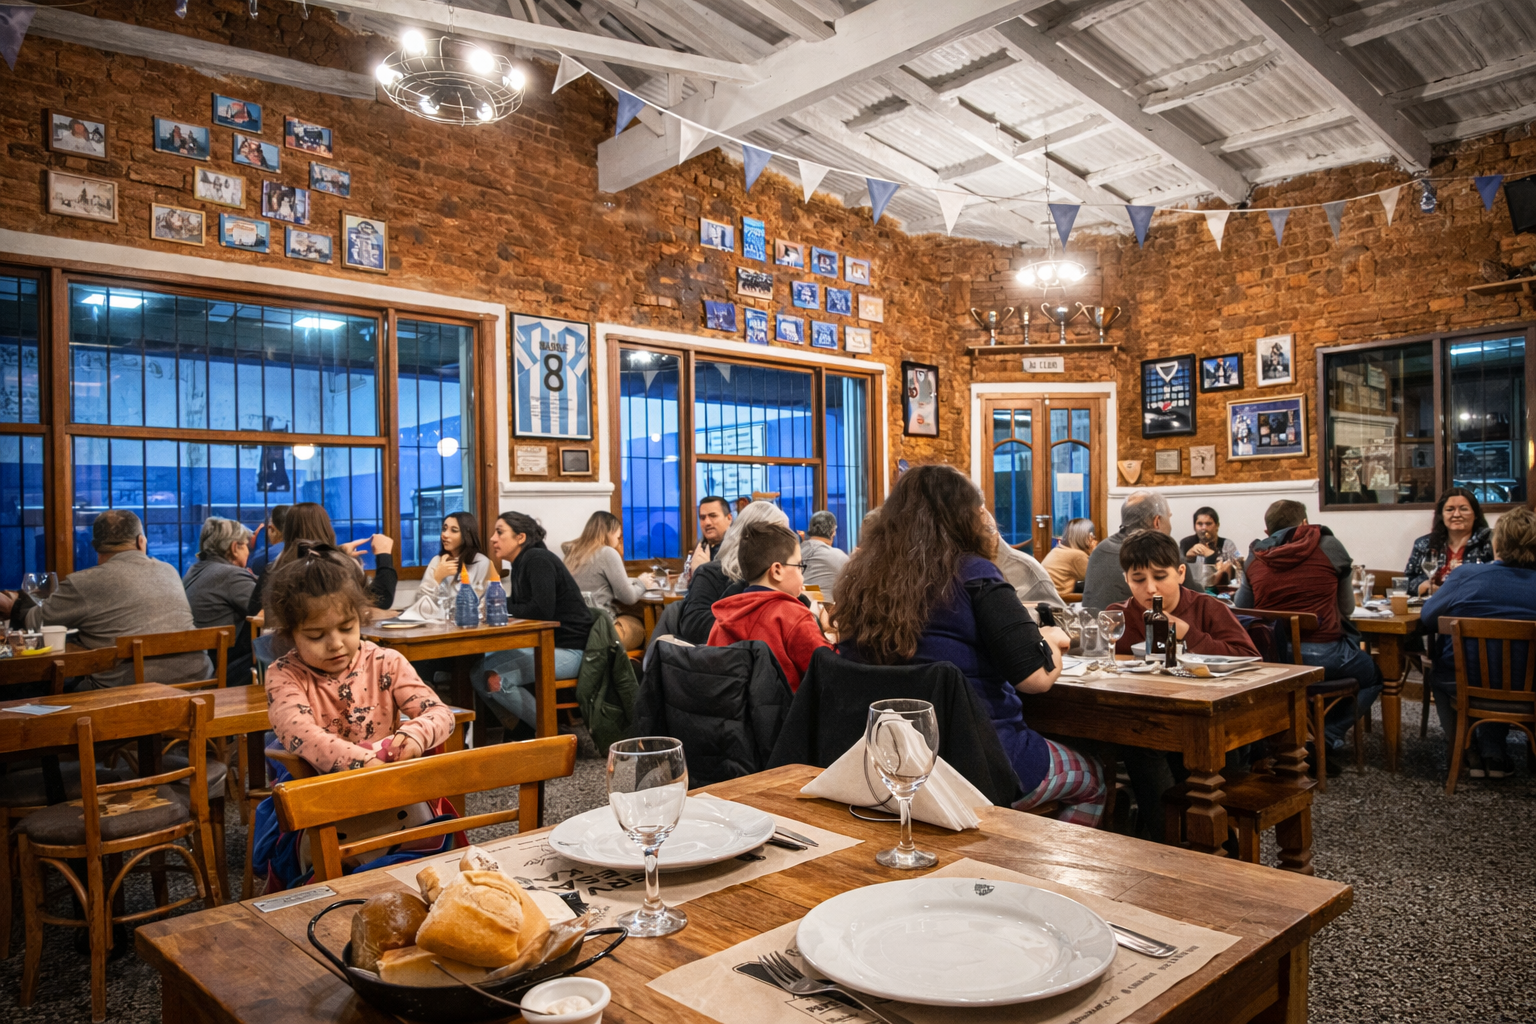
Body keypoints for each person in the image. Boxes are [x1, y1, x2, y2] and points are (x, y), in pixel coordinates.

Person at [834, 464, 1105, 827]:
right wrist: (1052, 641)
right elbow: (1036, 679)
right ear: (966, 516)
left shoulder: (861, 580)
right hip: (980, 764)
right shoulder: (975, 573)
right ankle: (1023, 858)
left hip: (881, 766)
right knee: (1093, 777)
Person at [263, 545, 455, 774]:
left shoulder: (386, 662)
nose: (335, 644)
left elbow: (440, 713)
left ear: (360, 618)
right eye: (316, 635)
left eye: (346, 628)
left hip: (385, 778)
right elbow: (302, 734)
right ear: (290, 634)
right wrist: (364, 761)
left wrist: (415, 735)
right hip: (318, 786)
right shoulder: (284, 675)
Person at [1236, 500, 1382, 765]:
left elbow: (1243, 607)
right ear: (1305, 523)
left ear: (1267, 532)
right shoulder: (1329, 546)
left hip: (1273, 659)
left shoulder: (1255, 555)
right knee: (1374, 677)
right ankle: (1327, 735)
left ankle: (1296, 735)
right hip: (1324, 653)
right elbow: (1347, 608)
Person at [1, 510, 210, 689]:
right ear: (141, 541)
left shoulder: (84, 582)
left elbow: (36, 623)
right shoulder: (169, 570)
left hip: (129, 692)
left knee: (45, 690)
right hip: (197, 682)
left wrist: (14, 605)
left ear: (94, 546)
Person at [1420, 507, 1536, 779]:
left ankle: (1465, 747)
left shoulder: (1466, 575)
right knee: (1505, 669)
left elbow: (1428, 617)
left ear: (1497, 544)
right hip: (1529, 686)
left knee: (1440, 674)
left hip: (1464, 682)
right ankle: (1494, 751)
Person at [472, 512, 593, 735]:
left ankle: (554, 734)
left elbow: (540, 611)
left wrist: (496, 605)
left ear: (520, 537)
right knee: (478, 670)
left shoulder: (537, 559)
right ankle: (522, 731)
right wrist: (493, 604)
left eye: (500, 532)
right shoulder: (521, 563)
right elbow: (522, 606)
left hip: (571, 650)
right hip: (548, 646)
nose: (492, 539)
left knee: (496, 678)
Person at [707, 521, 835, 691]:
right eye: (799, 566)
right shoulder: (793, 616)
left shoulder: (722, 619)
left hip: (731, 707)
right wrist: (828, 627)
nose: (802, 576)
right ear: (777, 571)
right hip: (786, 707)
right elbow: (829, 671)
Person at [1109, 531, 1259, 657]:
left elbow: (1251, 657)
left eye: (1160, 577)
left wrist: (1187, 633)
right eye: (1138, 579)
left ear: (1181, 573)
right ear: (1126, 579)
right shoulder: (1118, 617)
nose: (1150, 588)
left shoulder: (1208, 608)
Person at [247, 502, 396, 619]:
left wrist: (339, 553)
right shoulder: (331, 568)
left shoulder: (275, 567)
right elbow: (380, 600)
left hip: (277, 644)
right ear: (326, 527)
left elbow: (253, 611)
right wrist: (384, 554)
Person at [676, 501, 790, 645]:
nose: (787, 545)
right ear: (751, 538)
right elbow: (694, 626)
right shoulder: (711, 573)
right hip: (725, 655)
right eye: (779, 537)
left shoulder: (780, 574)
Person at [1083, 490, 1191, 611]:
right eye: (1169, 518)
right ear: (1157, 521)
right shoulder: (1164, 551)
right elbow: (1195, 600)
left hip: (1094, 622)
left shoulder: (1100, 549)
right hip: (1137, 622)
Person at [182, 517, 259, 686]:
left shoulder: (194, 570)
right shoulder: (231, 575)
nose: (248, 551)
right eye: (246, 545)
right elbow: (268, 609)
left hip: (198, 659)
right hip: (219, 669)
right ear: (234, 548)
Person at [562, 511, 646, 649]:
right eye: (618, 536)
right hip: (599, 626)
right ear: (610, 531)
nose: (619, 539)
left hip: (575, 626)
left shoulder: (573, 552)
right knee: (642, 627)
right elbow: (629, 597)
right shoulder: (607, 552)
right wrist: (643, 583)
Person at [1405, 488, 1494, 596]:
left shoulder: (1490, 541)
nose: (1456, 514)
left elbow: (1500, 576)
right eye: (1449, 509)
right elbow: (1406, 581)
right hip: (1435, 602)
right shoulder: (1424, 544)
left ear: (1475, 514)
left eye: (1464, 509)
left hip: (1475, 602)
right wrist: (1422, 586)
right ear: (1441, 515)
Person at [408, 512, 493, 621]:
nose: (445, 535)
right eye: (444, 529)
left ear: (467, 534)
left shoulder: (481, 562)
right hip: (435, 626)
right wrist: (437, 578)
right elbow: (419, 606)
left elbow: (487, 605)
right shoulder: (436, 561)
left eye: (454, 530)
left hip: (470, 626)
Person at [1179, 507, 1240, 586]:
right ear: (1194, 527)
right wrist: (1188, 557)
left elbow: (1238, 570)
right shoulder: (1186, 543)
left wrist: (1229, 569)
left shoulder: (1228, 545)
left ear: (1217, 526)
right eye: (1200, 524)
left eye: (1208, 524)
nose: (1204, 528)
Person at [681, 496, 733, 588]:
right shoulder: (701, 548)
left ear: (729, 518)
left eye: (713, 516)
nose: (707, 522)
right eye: (702, 517)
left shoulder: (738, 549)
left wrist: (703, 571)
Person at [799, 510, 849, 600]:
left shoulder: (796, 552)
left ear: (810, 529)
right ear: (833, 532)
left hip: (796, 605)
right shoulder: (839, 557)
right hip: (828, 607)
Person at [1042, 517, 1095, 598]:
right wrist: (1094, 551)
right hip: (1062, 598)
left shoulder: (1057, 550)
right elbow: (1096, 578)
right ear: (1087, 536)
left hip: (1048, 595)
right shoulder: (1077, 555)